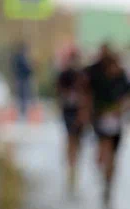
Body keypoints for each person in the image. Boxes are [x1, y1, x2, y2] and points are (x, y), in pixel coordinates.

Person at [84, 45, 130, 209]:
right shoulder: (97, 78)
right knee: (103, 150)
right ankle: (103, 169)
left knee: (112, 155)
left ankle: (108, 181)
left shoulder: (122, 78)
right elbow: (88, 95)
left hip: (116, 121)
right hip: (100, 119)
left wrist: (122, 108)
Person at [56, 49, 88, 199]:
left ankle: (74, 162)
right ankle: (71, 167)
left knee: (78, 140)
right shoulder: (64, 75)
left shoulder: (84, 75)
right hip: (68, 111)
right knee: (71, 138)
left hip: (80, 111)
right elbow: (59, 92)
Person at [12, 43, 34, 120]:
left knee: (24, 96)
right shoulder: (21, 58)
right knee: (23, 96)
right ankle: (22, 113)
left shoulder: (21, 58)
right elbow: (24, 69)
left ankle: (24, 113)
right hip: (22, 79)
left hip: (22, 79)